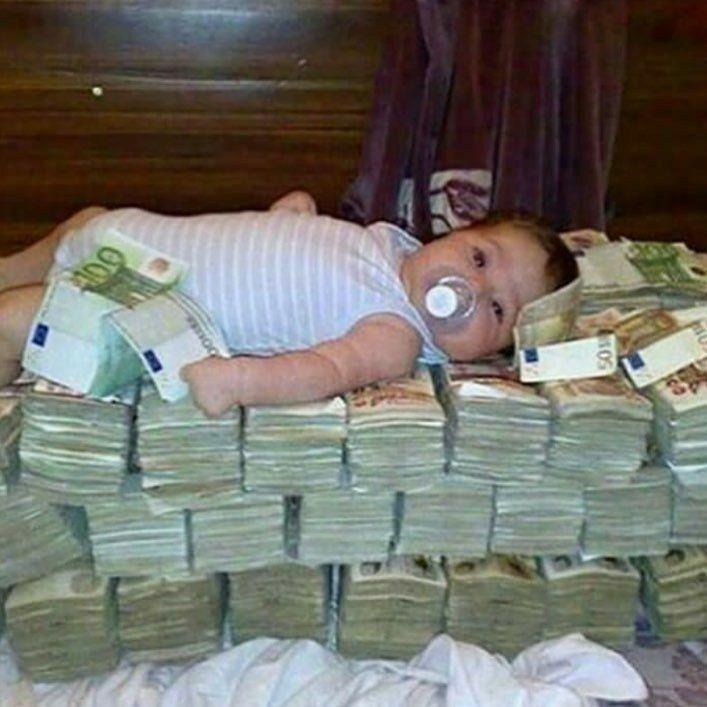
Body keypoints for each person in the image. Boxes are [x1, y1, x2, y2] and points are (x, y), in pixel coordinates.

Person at [0, 191, 577, 416]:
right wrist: (291, 219)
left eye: (497, 311)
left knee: (12, 321)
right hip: (142, 238)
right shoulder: (382, 243)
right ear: (457, 231)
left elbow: (322, 370)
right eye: (478, 258)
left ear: (488, 354)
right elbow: (304, 259)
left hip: (145, 309)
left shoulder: (394, 334)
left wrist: (241, 382)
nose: (471, 289)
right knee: (85, 223)